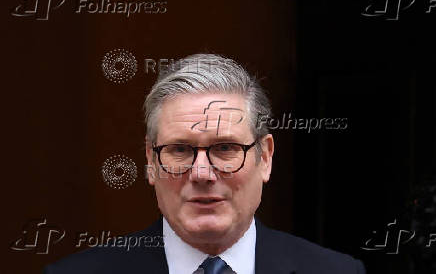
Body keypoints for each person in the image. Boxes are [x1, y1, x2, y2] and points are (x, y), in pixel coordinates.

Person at [43, 53, 366, 273]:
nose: (201, 173)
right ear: (150, 161)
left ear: (265, 157)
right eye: (180, 149)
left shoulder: (334, 271)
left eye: (225, 148)